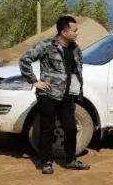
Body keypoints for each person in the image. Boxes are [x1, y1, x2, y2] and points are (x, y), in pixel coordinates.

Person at [19, 15, 89, 175]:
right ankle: (46, 162)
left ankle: (71, 160)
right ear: (64, 31)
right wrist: (34, 81)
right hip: (48, 94)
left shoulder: (75, 48)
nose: (77, 33)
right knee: (47, 129)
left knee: (71, 128)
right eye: (74, 30)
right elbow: (25, 60)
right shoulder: (46, 45)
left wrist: (77, 89)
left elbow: (76, 71)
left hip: (68, 95)